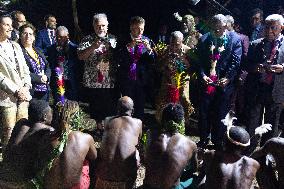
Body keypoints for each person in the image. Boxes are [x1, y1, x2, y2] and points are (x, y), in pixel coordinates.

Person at [1, 100, 97, 189]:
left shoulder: (21, 123)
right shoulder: (47, 132)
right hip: (23, 181)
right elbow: (94, 157)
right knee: (82, 158)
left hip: (4, 174)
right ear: (45, 117)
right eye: (50, 112)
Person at [195, 14, 242, 149]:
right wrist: (202, 75)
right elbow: (199, 62)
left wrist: (227, 78)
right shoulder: (204, 39)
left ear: (225, 26)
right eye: (213, 29)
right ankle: (203, 139)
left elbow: (235, 62)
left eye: (219, 29)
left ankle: (217, 141)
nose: (215, 32)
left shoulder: (235, 40)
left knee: (220, 113)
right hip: (207, 83)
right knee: (204, 113)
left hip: (224, 84)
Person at [245, 14, 284, 155]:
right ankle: (248, 150)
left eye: (273, 28)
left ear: (282, 28)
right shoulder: (256, 44)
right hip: (258, 88)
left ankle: (268, 153)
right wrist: (255, 67)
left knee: (272, 123)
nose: (269, 31)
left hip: (276, 89)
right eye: (267, 27)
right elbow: (246, 65)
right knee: (252, 121)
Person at [78, 13, 119, 128]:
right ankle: (99, 129)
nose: (100, 28)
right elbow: (80, 56)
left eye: (103, 25)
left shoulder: (113, 39)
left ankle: (109, 129)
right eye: (98, 26)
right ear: (93, 26)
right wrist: (92, 47)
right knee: (96, 109)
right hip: (94, 81)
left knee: (110, 108)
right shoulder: (87, 39)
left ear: (107, 25)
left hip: (109, 80)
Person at [143, 103, 197, 189]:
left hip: (148, 187)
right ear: (181, 121)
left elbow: (146, 156)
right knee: (196, 178)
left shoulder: (151, 134)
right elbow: (194, 169)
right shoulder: (191, 144)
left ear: (162, 120)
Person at [95, 96, 142, 189]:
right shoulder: (138, 123)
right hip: (123, 180)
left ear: (117, 109)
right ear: (132, 111)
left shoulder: (108, 120)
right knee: (136, 153)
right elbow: (138, 142)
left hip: (102, 175)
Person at [0, 15, 32, 147]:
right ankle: (7, 161)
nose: (10, 28)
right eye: (6, 25)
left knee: (23, 130)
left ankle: (20, 160)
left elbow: (25, 69)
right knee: (9, 132)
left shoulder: (16, 46)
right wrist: (16, 90)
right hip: (7, 98)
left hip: (23, 96)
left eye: (11, 25)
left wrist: (26, 87)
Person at [118, 16, 155, 120]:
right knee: (126, 106)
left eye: (142, 29)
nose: (139, 32)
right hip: (126, 79)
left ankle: (138, 130)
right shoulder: (123, 39)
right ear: (131, 28)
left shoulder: (147, 40)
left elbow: (152, 61)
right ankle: (125, 128)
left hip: (141, 80)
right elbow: (118, 57)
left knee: (140, 107)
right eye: (136, 29)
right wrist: (129, 47)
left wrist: (149, 50)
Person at [155, 31, 194, 125]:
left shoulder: (188, 51)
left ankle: (184, 121)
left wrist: (183, 60)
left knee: (184, 98)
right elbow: (158, 67)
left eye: (177, 45)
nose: (173, 47)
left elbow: (192, 69)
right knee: (162, 98)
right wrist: (166, 59)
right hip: (168, 78)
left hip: (183, 79)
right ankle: (162, 120)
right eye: (171, 44)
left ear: (182, 42)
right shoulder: (165, 50)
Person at [47, 26, 81, 102]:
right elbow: (50, 65)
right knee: (60, 105)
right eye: (57, 37)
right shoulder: (51, 49)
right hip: (58, 82)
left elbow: (79, 66)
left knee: (72, 105)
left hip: (72, 82)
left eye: (62, 37)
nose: (59, 39)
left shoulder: (75, 48)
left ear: (67, 36)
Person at [19, 23, 51, 101]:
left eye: (30, 34)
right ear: (20, 36)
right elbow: (20, 71)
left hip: (44, 90)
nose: (28, 36)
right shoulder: (18, 52)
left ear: (34, 37)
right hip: (30, 92)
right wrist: (38, 78)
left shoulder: (38, 50)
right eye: (25, 33)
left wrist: (47, 77)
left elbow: (47, 66)